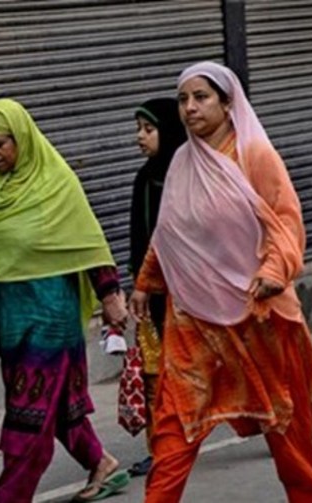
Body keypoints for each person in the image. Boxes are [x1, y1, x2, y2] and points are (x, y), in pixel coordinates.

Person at [130, 61, 312, 502]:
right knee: (174, 425)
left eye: (201, 97)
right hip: (193, 319)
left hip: (258, 315)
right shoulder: (182, 162)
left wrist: (274, 271)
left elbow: (285, 221)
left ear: (226, 102)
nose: (190, 107)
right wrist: (145, 282)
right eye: (183, 99)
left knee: (286, 426)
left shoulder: (254, 155)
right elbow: (170, 233)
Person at [0, 99, 131, 503]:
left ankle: (11, 496)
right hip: (9, 319)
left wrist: (110, 295)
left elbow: (88, 243)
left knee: (28, 413)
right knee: (54, 403)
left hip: (50, 317)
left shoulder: (56, 183)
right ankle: (100, 462)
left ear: (22, 138)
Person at [126, 97, 187, 477]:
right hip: (152, 296)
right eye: (138, 129)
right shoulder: (144, 179)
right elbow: (139, 238)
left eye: (148, 129)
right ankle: (161, 447)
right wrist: (139, 284)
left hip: (192, 295)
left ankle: (266, 419)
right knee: (154, 374)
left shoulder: (191, 177)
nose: (140, 137)